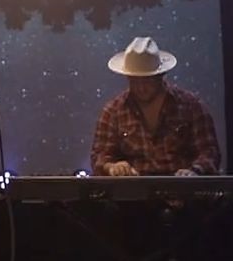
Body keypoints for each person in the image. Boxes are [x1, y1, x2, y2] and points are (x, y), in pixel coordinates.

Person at [90, 36, 220, 177]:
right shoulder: (113, 111)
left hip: (182, 189)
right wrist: (112, 167)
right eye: (135, 81)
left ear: (161, 76)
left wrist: (194, 171)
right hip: (132, 190)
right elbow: (99, 156)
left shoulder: (191, 106)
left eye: (147, 80)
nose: (141, 88)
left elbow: (209, 152)